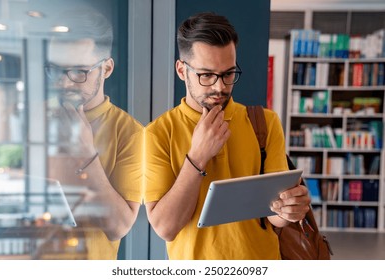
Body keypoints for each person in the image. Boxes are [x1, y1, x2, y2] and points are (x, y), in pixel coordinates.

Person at [144, 12, 311, 260]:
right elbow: (165, 228)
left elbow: (274, 217)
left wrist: (290, 210)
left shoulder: (265, 123)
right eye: (206, 75)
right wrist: (197, 157)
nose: (220, 86)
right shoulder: (157, 134)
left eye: (228, 73)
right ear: (182, 70)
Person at [44, 9, 143, 259]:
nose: (64, 83)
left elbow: (119, 227)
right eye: (55, 70)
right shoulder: (30, 117)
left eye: (79, 72)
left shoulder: (131, 133)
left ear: (106, 68)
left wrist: (86, 154)